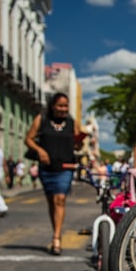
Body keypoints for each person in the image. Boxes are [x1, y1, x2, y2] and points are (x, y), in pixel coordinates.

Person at [25, 92, 88, 255]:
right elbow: (28, 139)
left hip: (65, 166)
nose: (63, 109)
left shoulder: (71, 122)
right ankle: (56, 231)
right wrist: (40, 151)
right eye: (60, 105)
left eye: (65, 106)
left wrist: (79, 143)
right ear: (53, 106)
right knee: (52, 202)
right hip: (46, 168)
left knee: (60, 199)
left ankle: (56, 237)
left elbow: (77, 143)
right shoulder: (42, 120)